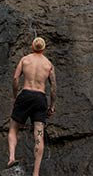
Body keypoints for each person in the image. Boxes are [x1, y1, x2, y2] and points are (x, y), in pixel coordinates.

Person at [7, 37, 57, 176]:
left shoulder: (25, 60)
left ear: (32, 46)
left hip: (26, 95)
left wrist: (15, 96)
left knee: (13, 128)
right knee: (39, 135)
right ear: (44, 48)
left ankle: (11, 157)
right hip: (40, 98)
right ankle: (36, 173)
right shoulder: (48, 64)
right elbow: (53, 87)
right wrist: (52, 106)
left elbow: (16, 78)